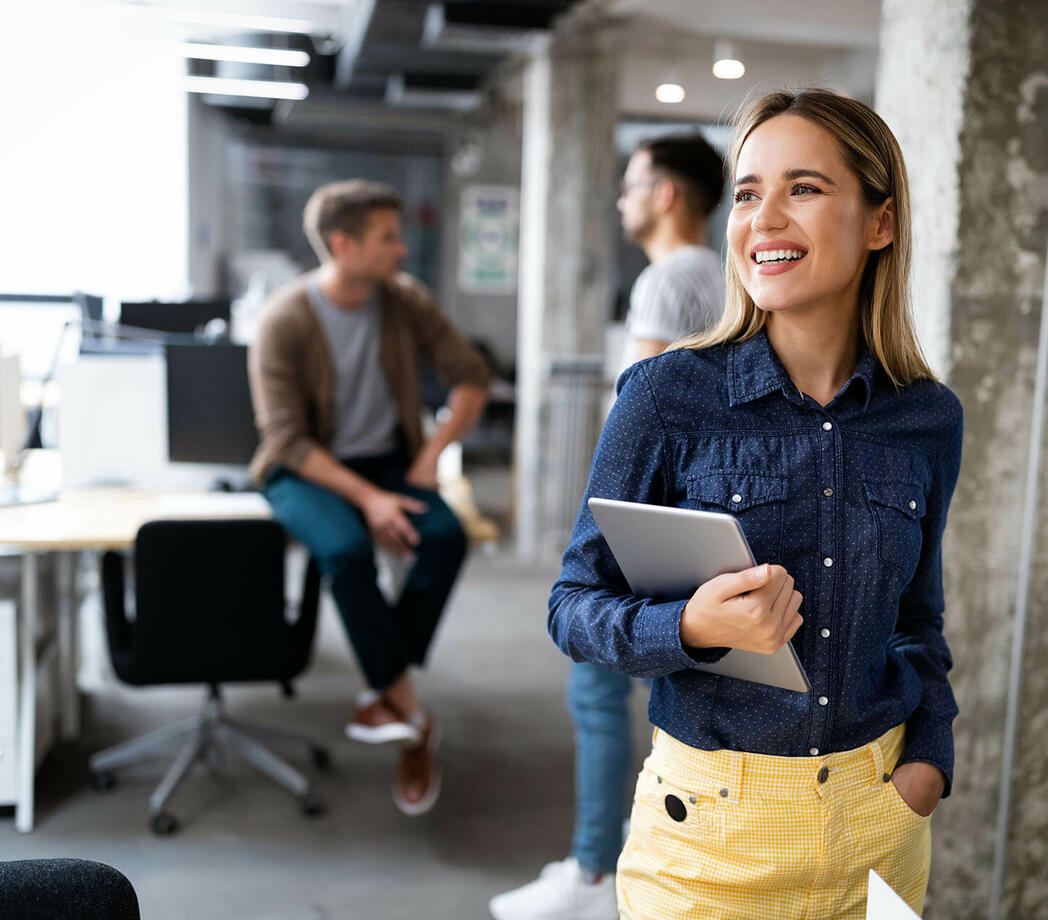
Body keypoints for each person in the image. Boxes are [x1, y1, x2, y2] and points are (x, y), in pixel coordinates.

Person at [546, 88, 963, 919]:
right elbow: (571, 607)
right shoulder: (665, 397)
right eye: (747, 193)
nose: (763, 217)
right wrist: (692, 629)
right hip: (708, 835)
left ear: (880, 222)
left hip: (878, 824)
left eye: (803, 189)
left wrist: (931, 763)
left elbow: (919, 620)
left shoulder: (927, 417)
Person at [489, 134, 725, 920]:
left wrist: (601, 522)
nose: (621, 199)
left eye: (631, 185)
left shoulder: (667, 281)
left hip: (650, 515)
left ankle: (596, 871)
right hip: (700, 509)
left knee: (596, 684)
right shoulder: (720, 278)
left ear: (667, 194)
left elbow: (637, 416)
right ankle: (630, 861)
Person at [248, 179, 490, 816]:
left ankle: (384, 686)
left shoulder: (403, 300)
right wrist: (369, 500)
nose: (401, 250)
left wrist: (429, 456)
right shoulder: (282, 319)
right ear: (341, 243)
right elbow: (288, 440)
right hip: (302, 470)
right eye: (387, 238)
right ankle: (408, 711)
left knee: (445, 536)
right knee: (347, 549)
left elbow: (470, 377)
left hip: (391, 460)